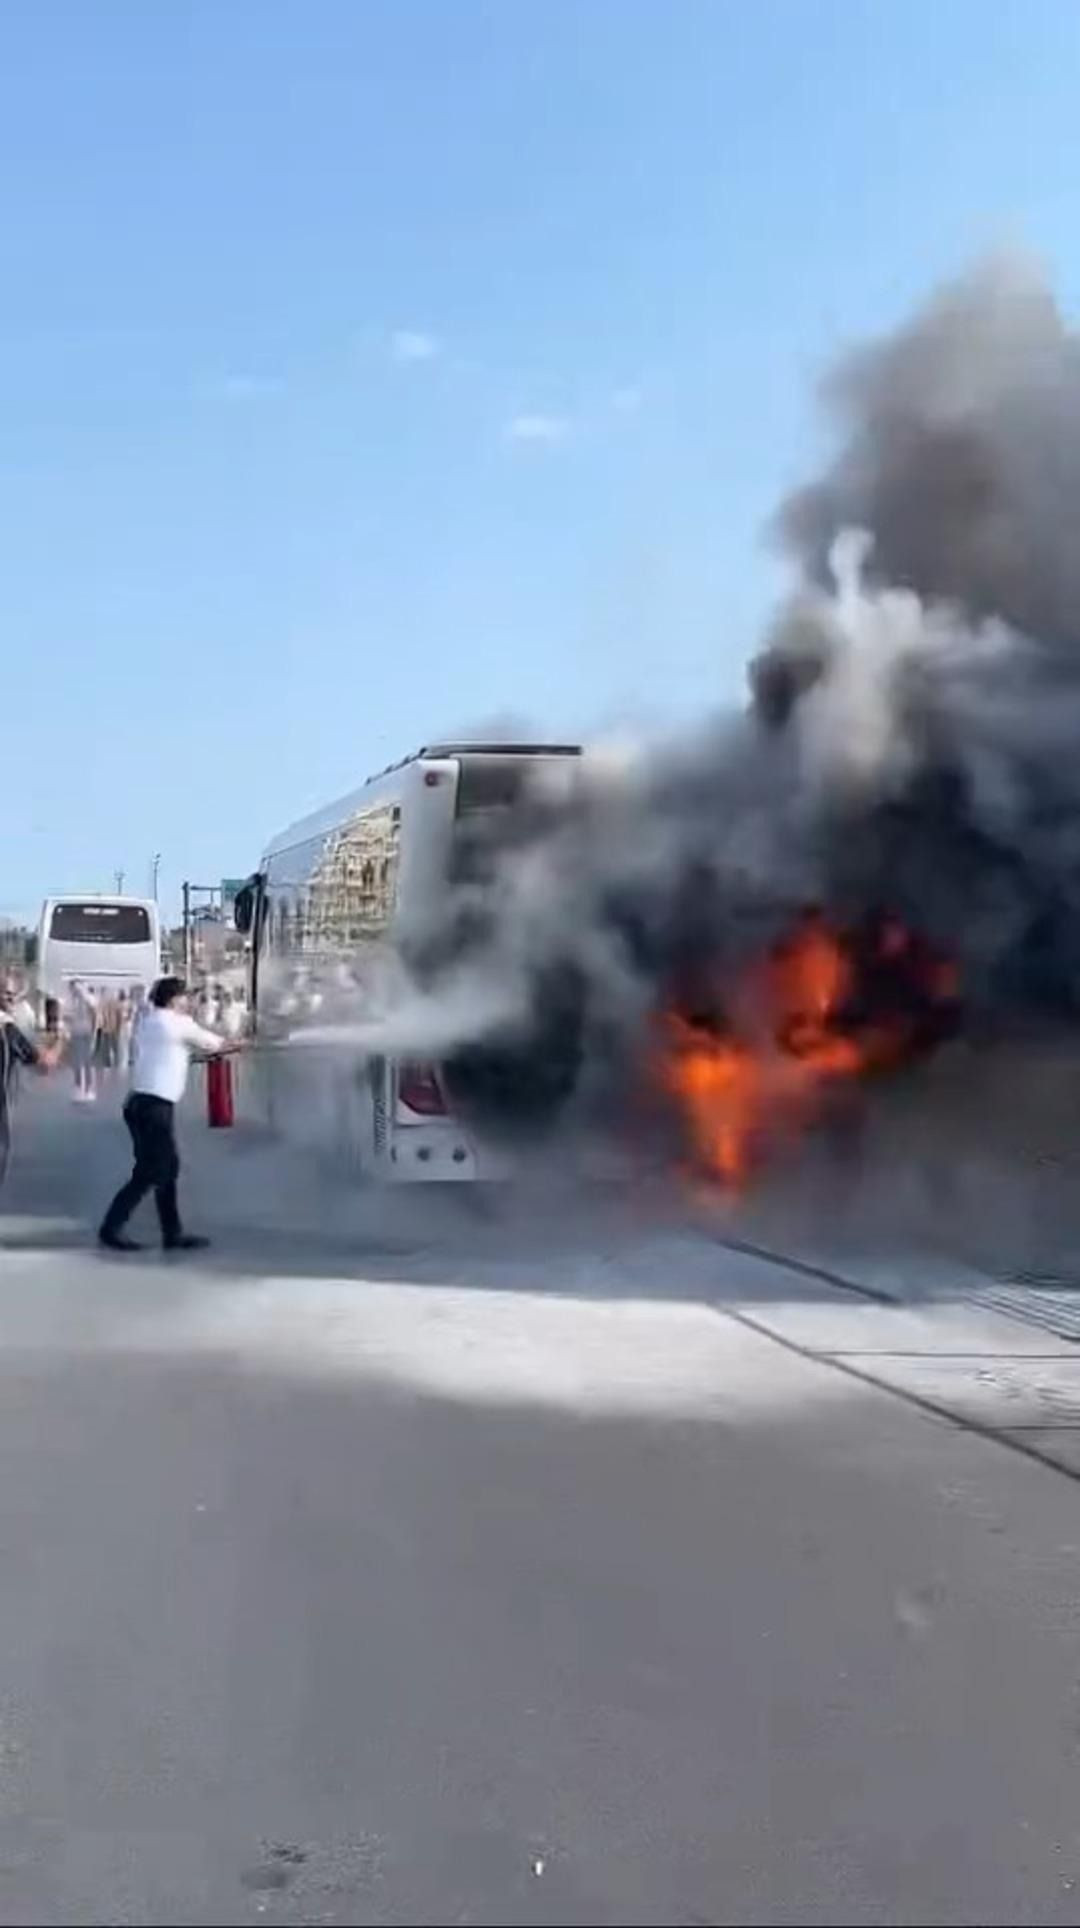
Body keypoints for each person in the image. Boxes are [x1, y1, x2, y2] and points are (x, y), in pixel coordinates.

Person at [98, 975, 240, 1253]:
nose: (189, 1001)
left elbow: (170, 1053)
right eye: (185, 996)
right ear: (175, 999)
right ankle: (113, 1228)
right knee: (152, 1171)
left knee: (163, 1169)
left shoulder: (149, 1020)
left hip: (138, 1103)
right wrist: (241, 1044)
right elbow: (216, 1044)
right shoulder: (178, 1023)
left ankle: (171, 1233)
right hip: (155, 1106)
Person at [65, 979, 99, 1103]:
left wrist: (94, 1032)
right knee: (77, 1061)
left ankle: (88, 1088)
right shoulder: (72, 1001)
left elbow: (95, 1014)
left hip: (85, 1032)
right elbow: (68, 1016)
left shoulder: (88, 999)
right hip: (77, 1032)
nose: (73, 991)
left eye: (74, 988)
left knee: (86, 1061)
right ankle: (79, 1087)